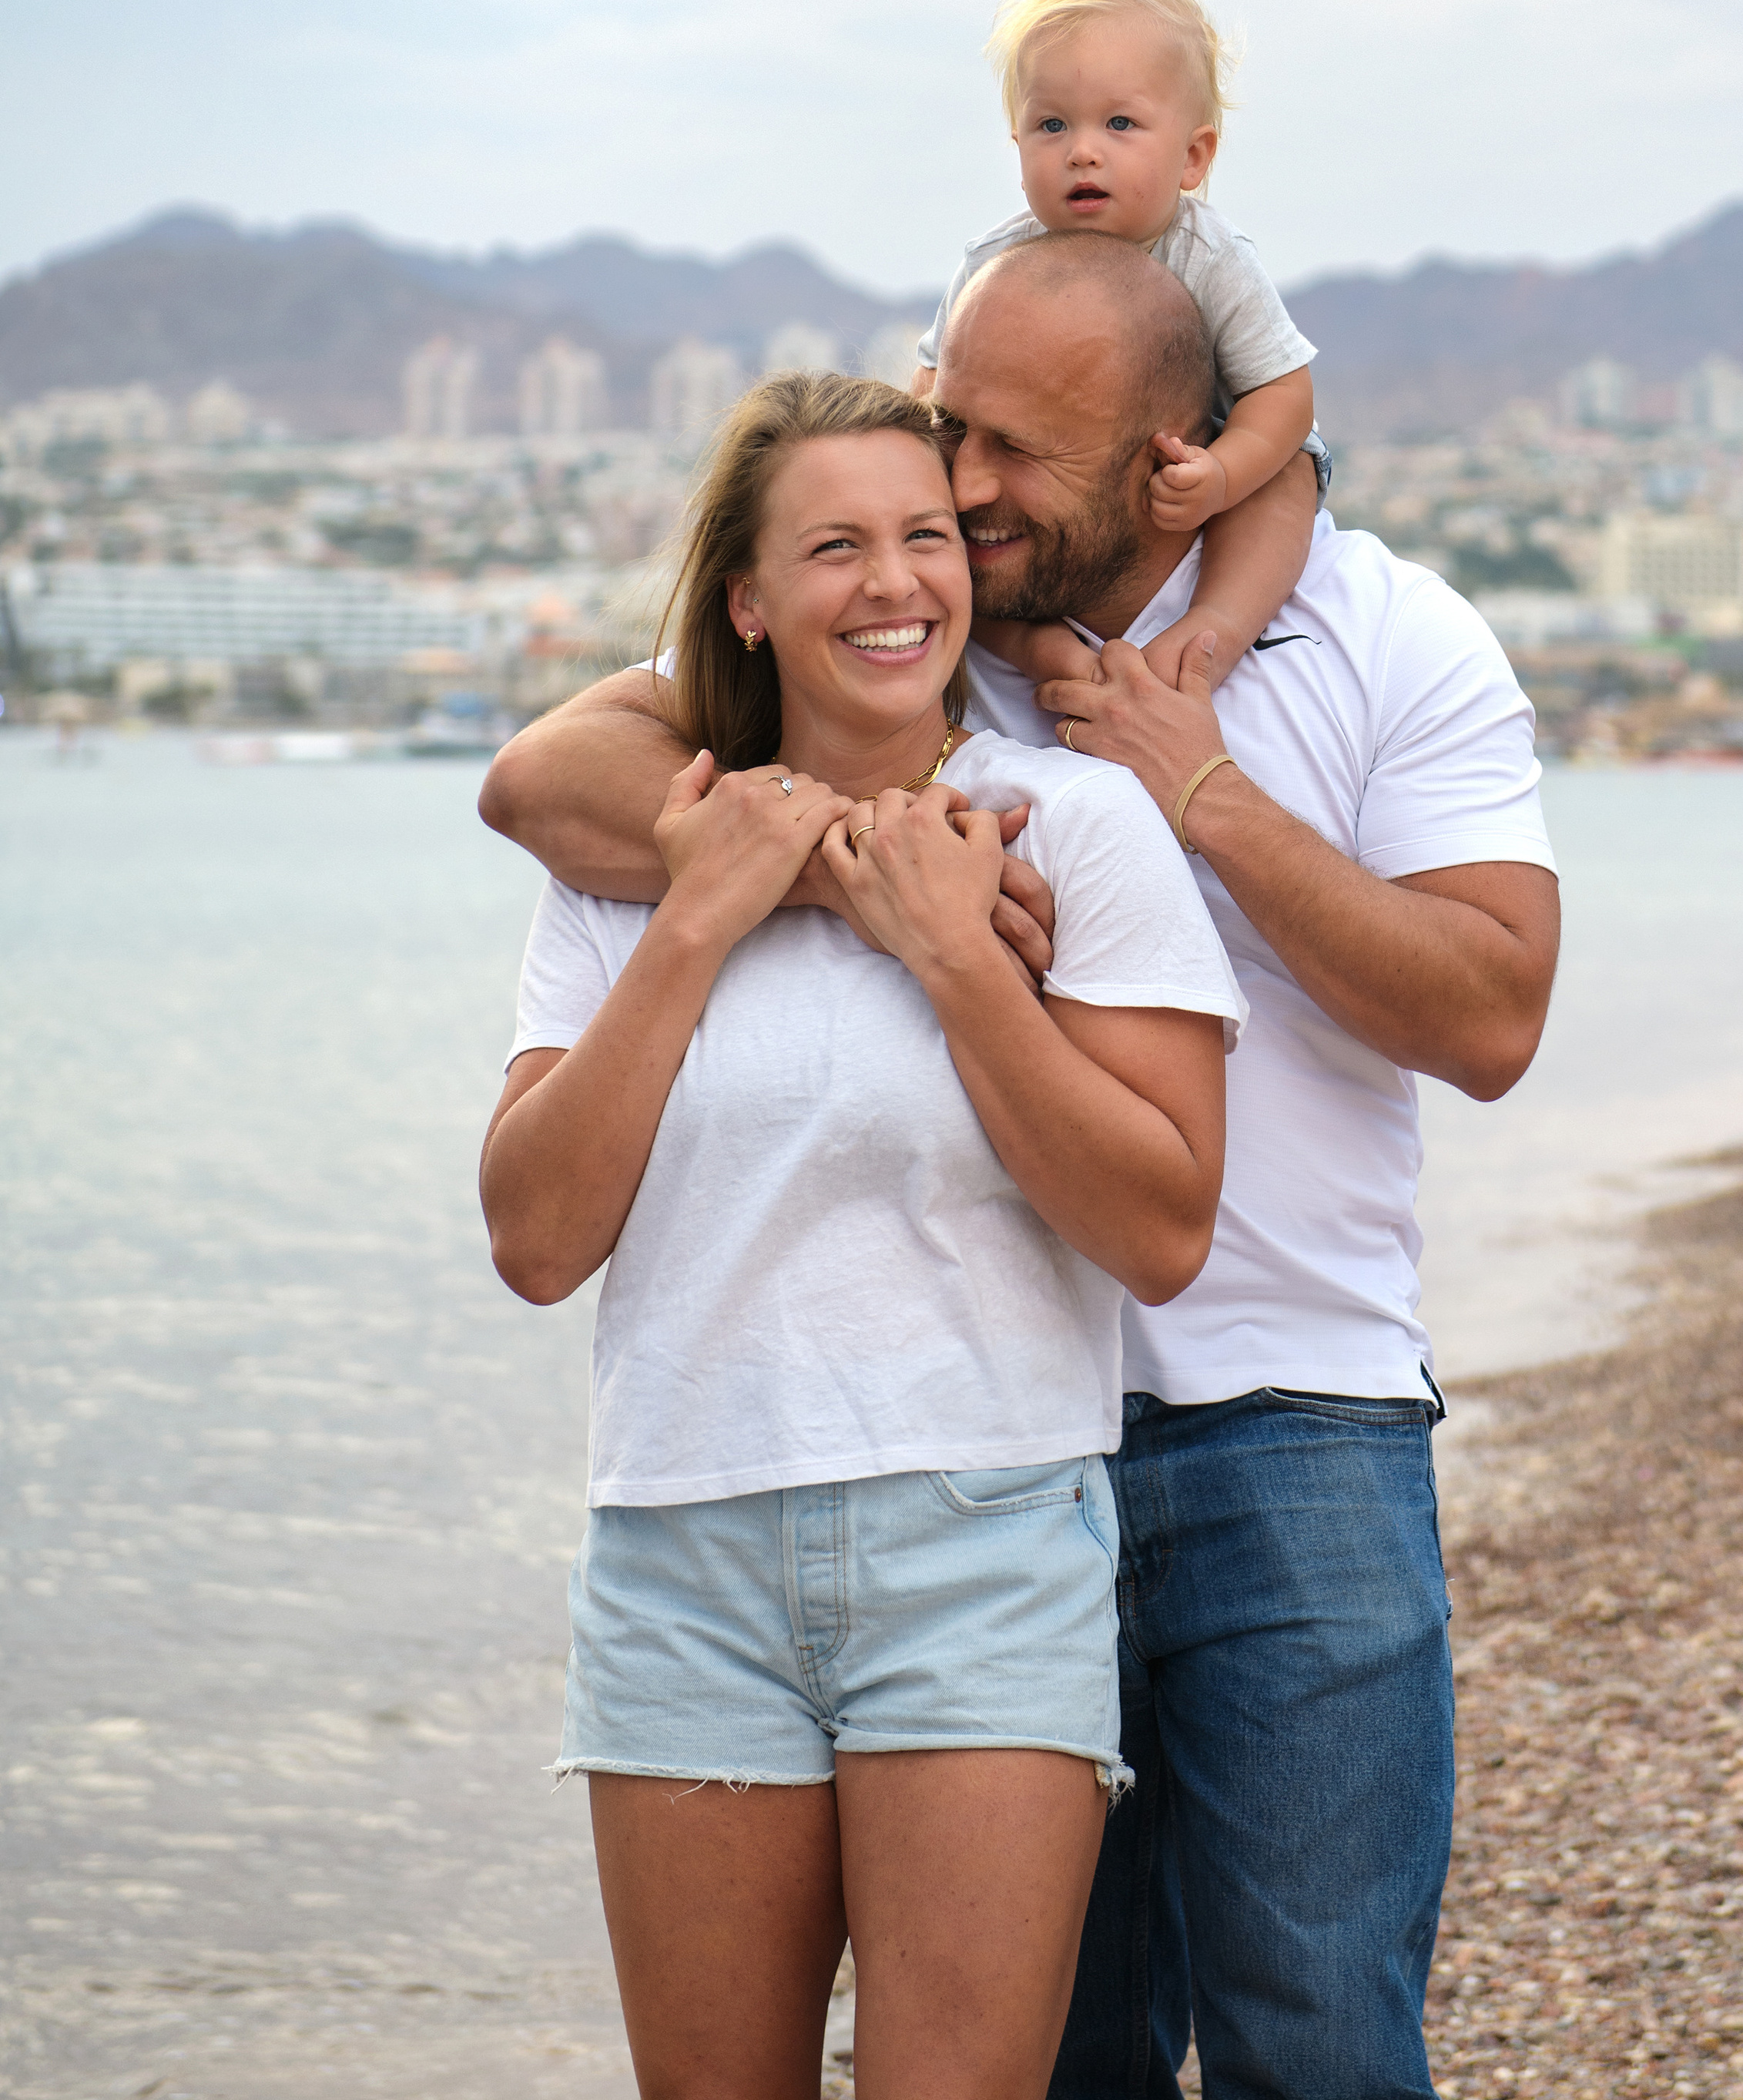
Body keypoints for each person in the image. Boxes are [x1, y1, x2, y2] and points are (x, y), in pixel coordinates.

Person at [480, 240, 1563, 2100]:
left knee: (1314, 2021)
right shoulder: (925, 623)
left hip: (1274, 1411)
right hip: (939, 1440)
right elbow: (542, 784)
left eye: (999, 453)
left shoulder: (1374, 642)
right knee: (1071, 2062)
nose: (956, 496)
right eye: (941, 432)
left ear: (1169, 457)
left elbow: (1485, 1022)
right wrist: (863, 861)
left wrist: (1195, 784)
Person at [479, 369, 1245, 2100]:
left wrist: (961, 957)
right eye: (834, 546)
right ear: (748, 599)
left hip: (978, 1537)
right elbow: (534, 1237)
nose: (893, 583)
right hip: (683, 1544)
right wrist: (702, 911)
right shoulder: (635, 856)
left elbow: (1162, 1222)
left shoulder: (1079, 826)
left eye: (923, 537)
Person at [917, 0, 1329, 696]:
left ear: (1193, 157)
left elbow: (1285, 395)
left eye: (1119, 123)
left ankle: (1214, 632)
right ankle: (1032, 648)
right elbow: (932, 384)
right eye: (1051, 125)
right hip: (1045, 516)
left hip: (1203, 450)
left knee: (1289, 469)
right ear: (1018, 153)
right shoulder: (994, 264)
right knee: (955, 518)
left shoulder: (1210, 257)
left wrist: (1224, 472)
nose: (1082, 150)